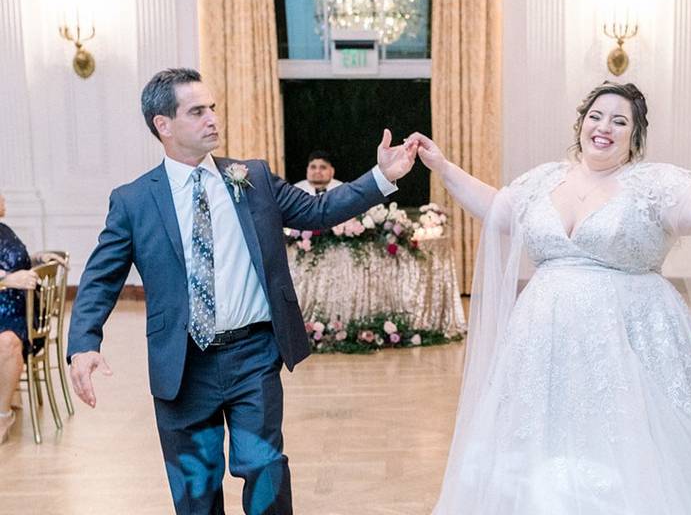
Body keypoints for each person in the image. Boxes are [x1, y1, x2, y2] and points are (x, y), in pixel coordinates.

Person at [408, 81, 691, 514]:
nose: (604, 128)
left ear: (634, 137)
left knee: (633, 448)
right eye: (596, 117)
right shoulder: (543, 180)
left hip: (633, 339)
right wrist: (443, 167)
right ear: (581, 124)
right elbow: (497, 209)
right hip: (543, 344)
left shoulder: (652, 184)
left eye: (620, 121)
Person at [66, 68, 417, 514]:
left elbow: (317, 210)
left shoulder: (250, 177)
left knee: (266, 469)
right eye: (197, 111)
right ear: (163, 125)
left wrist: (380, 178)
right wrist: (83, 344)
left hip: (253, 356)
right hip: (182, 364)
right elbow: (100, 277)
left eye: (212, 107)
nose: (213, 118)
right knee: (195, 489)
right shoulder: (134, 200)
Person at [0, 193, 64, 443]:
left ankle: (3, 413)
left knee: (7, 342)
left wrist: (37, 259)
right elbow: (8, 273)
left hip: (20, 316)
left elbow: (16, 263)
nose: (3, 197)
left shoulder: (4, 229)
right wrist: (5, 281)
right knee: (5, 342)